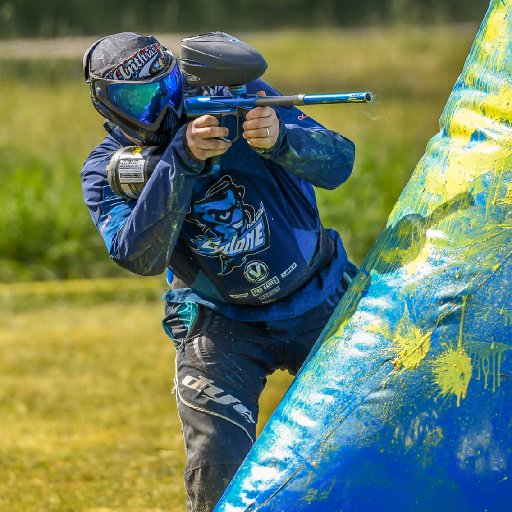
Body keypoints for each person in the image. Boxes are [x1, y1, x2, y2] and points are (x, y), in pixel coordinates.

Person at [81, 31, 358, 512]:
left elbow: (339, 162)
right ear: (107, 106)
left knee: (379, 422)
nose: (159, 106)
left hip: (318, 291)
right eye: (138, 99)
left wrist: (281, 140)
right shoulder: (104, 168)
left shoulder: (235, 100)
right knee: (215, 468)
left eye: (165, 88)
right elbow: (139, 258)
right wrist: (182, 160)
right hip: (219, 322)